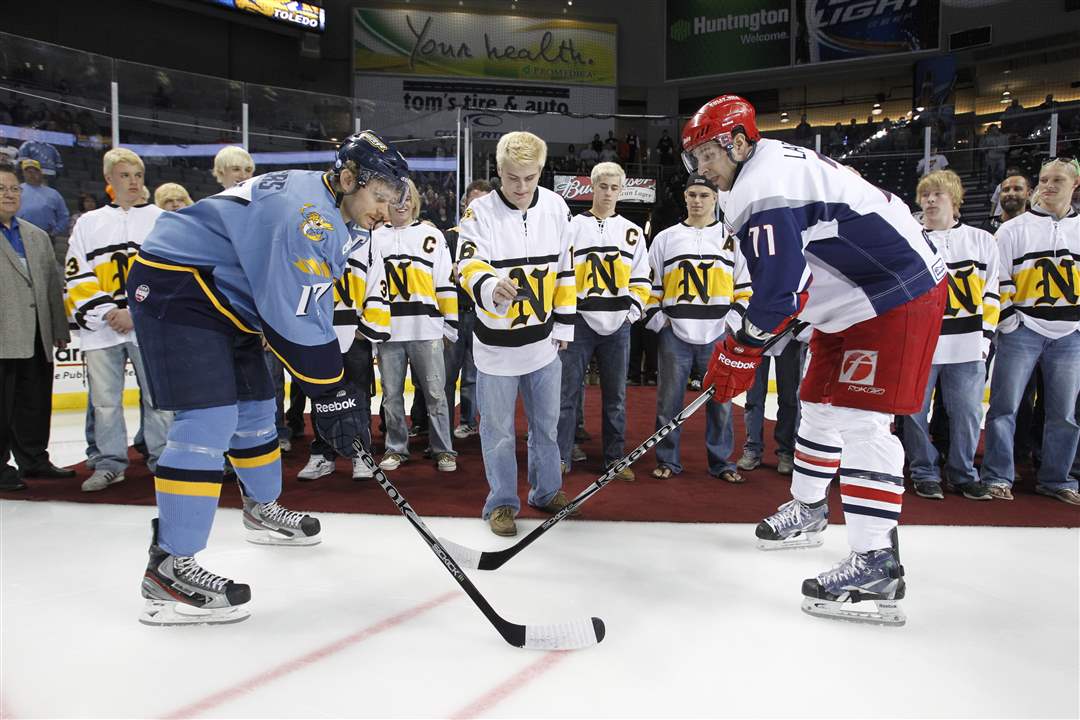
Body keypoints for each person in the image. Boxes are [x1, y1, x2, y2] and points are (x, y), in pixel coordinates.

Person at [683, 94, 947, 625]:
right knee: (817, 405)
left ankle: (877, 562)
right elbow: (781, 285)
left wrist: (741, 351)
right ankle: (808, 510)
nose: (702, 169)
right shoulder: (755, 177)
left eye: (708, 154)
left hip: (895, 292)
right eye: (695, 159)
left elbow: (780, 291)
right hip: (845, 300)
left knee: (862, 420)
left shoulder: (764, 184)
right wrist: (742, 344)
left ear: (737, 141)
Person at [126, 130, 409, 624]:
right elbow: (289, 314)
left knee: (258, 410)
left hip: (230, 297)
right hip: (179, 287)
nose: (385, 210)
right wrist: (330, 393)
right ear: (346, 179)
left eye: (391, 199)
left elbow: (308, 304)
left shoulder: (332, 211)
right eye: (378, 197)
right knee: (208, 422)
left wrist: (333, 392)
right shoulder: (304, 217)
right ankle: (168, 569)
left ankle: (260, 509)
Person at [457, 131, 576, 537]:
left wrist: (564, 324)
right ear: (498, 172)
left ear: (541, 171)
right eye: (512, 178)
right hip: (495, 350)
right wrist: (490, 287)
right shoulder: (479, 213)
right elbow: (468, 266)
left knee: (546, 427)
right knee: (499, 432)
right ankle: (502, 502)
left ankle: (546, 491)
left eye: (529, 178)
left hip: (543, 345)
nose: (521, 187)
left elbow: (565, 270)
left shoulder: (558, 208)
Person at [65, 148, 172, 492]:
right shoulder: (88, 223)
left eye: (137, 175)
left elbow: (170, 273)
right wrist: (108, 311)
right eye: (124, 175)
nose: (133, 182)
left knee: (158, 398)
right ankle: (110, 462)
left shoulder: (161, 219)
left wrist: (135, 312)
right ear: (109, 180)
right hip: (102, 329)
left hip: (147, 326)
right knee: (105, 402)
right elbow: (75, 273)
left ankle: (162, 458)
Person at [981, 158, 1080, 505]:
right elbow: (999, 278)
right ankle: (997, 475)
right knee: (1004, 407)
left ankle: (1056, 478)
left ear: (1075, 185)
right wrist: (1011, 321)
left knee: (1063, 413)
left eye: (1057, 180)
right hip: (1022, 329)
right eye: (1043, 180)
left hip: (1071, 334)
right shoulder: (1011, 230)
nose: (1048, 186)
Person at [644, 175, 749, 483]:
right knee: (668, 402)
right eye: (692, 194)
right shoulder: (666, 238)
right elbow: (650, 286)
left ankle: (721, 462)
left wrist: (730, 324)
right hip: (675, 333)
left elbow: (745, 287)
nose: (697, 200)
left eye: (704, 194)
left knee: (721, 404)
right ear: (685, 196)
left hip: (718, 334)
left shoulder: (732, 238)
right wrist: (660, 321)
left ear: (715, 198)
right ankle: (667, 460)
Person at [902, 170, 998, 501]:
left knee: (969, 414)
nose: (929, 200)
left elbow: (991, 295)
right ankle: (924, 471)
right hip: (919, 344)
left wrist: (984, 341)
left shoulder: (982, 240)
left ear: (954, 200)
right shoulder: (909, 238)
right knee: (913, 412)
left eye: (937, 194)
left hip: (967, 345)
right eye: (925, 195)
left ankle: (962, 473)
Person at [557, 162, 650, 481]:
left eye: (614, 188)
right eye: (603, 186)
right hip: (579, 321)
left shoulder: (632, 231)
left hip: (617, 325)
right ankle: (561, 455)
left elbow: (642, 277)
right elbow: (559, 272)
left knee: (616, 397)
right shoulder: (571, 227)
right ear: (591, 188)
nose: (608, 193)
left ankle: (614, 458)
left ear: (621, 191)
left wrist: (630, 312)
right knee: (567, 394)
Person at [372, 179, 457, 473]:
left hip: (427, 328)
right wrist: (371, 329)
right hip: (388, 331)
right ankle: (396, 448)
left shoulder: (432, 236)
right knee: (391, 394)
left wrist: (450, 325)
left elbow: (445, 282)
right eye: (397, 198)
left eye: (408, 198)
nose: (403, 204)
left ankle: (443, 449)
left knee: (436, 393)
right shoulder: (373, 238)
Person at [0, 163, 73, 491]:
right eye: (1, 188)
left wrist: (59, 328)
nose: (9, 194)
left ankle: (33, 459)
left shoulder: (37, 236)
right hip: (3, 334)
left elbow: (49, 288)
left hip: (37, 334)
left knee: (34, 401)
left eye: (14, 188)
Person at [446, 180, 492, 439]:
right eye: (473, 202)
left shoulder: (493, 238)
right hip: (452, 312)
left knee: (474, 375)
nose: (477, 208)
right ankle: (441, 427)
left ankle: (468, 422)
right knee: (446, 376)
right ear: (464, 204)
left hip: (480, 314)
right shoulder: (449, 236)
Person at [735, 329, 805, 475]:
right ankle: (752, 449)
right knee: (753, 399)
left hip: (790, 337)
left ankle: (786, 452)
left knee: (789, 399)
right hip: (756, 338)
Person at [16, 159, 68, 253]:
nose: (31, 174)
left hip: (45, 235)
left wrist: (54, 232)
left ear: (40, 173)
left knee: (44, 265)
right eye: (28, 171)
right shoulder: (16, 190)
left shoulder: (53, 194)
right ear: (23, 173)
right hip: (19, 234)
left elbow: (64, 216)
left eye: (34, 171)